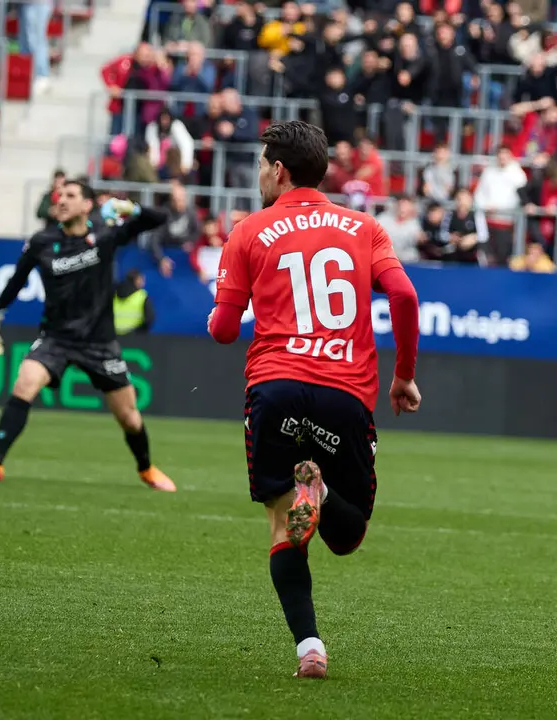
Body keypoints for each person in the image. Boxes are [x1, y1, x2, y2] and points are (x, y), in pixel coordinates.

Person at [206, 121, 421, 680]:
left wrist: (217, 310)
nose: (258, 174)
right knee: (347, 537)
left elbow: (225, 332)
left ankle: (310, 650)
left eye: (259, 165)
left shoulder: (250, 230)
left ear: (278, 171)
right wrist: (404, 377)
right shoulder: (364, 227)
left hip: (274, 389)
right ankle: (321, 488)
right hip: (345, 394)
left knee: (284, 526)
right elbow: (403, 293)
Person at [0, 181, 176, 493]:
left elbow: (159, 218)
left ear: (87, 205)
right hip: (55, 338)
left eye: (70, 196)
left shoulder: (106, 233)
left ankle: (146, 469)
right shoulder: (42, 241)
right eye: (59, 196)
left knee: (130, 418)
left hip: (99, 342)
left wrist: (131, 208)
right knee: (24, 384)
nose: (61, 201)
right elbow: (16, 280)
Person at [113, 269, 154, 336]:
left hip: (114, 336)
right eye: (142, 279)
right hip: (134, 338)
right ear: (136, 280)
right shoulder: (141, 296)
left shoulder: (113, 294)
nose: (144, 282)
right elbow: (150, 318)